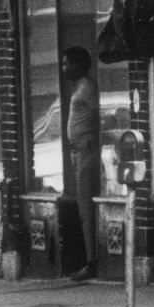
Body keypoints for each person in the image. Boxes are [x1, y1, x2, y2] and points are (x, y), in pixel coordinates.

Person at [62, 46, 100, 282]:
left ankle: (91, 261)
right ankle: (89, 258)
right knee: (81, 206)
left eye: (67, 63)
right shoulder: (80, 88)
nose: (64, 68)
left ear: (79, 65)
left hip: (86, 150)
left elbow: (101, 114)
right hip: (78, 152)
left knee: (86, 207)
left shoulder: (87, 88)